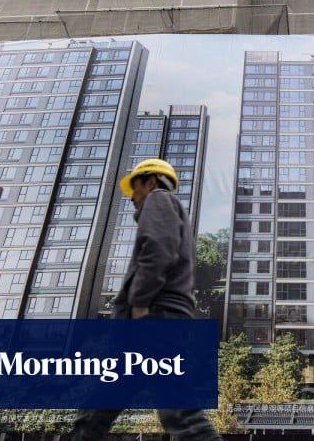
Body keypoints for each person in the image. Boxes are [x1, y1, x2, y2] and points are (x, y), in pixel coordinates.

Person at [70, 159, 223, 441]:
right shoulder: (169, 208)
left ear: (151, 182)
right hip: (154, 320)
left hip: (153, 317)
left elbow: (158, 248)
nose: (131, 196)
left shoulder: (159, 199)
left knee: (177, 410)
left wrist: (140, 302)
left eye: (135, 187)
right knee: (98, 408)